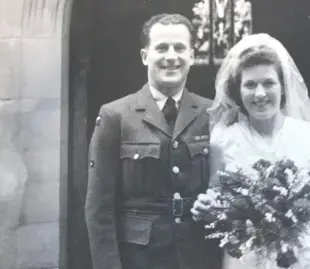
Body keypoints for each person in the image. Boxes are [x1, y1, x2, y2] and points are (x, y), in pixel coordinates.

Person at [192, 33, 310, 269]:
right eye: (250, 85)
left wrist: (295, 226)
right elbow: (217, 200)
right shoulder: (223, 140)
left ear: (283, 87)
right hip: (246, 259)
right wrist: (211, 210)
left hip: (303, 257)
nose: (260, 94)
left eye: (269, 83)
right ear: (238, 91)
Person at [85, 13, 222, 269]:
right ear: (145, 56)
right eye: (161, 48)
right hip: (139, 259)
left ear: (191, 56)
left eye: (180, 48)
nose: (171, 56)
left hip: (198, 256)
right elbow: (99, 210)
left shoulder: (211, 113)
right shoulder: (116, 116)